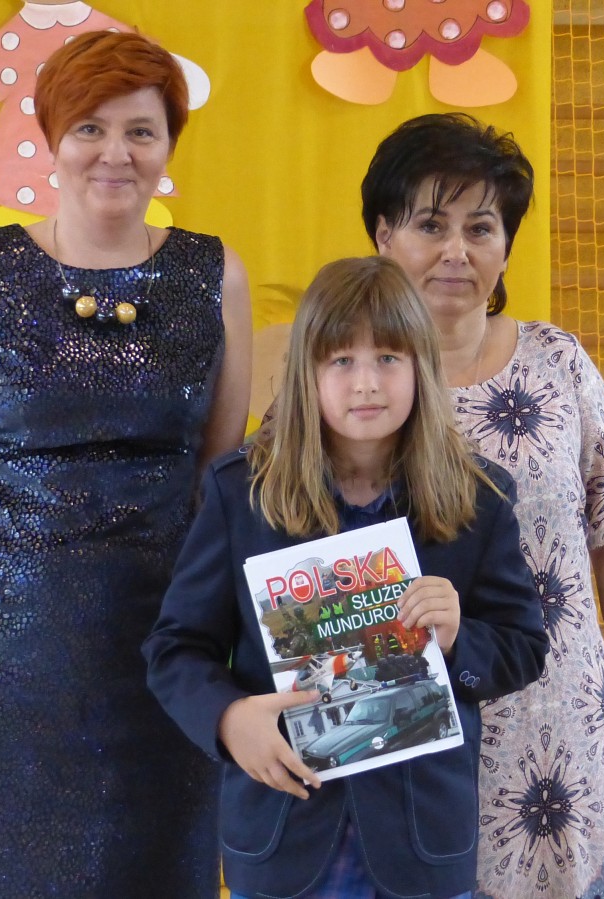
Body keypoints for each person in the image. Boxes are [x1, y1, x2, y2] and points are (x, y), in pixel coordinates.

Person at [0, 31, 251, 898]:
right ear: (47, 136)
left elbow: (219, 487)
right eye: (90, 128)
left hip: (165, 659)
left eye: (142, 131)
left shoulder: (215, 274)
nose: (116, 152)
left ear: (170, 144)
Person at [143, 256, 547, 899]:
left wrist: (457, 638)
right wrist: (228, 719)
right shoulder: (241, 494)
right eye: (341, 361)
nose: (366, 384)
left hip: (421, 846)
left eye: (388, 358)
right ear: (306, 373)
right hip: (282, 833)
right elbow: (175, 649)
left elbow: (523, 647)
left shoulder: (479, 498)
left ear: (421, 367)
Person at [362, 113, 604, 898]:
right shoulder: (348, 379)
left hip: (563, 735)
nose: (456, 251)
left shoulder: (559, 361)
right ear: (384, 235)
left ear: (505, 245)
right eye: (431, 224)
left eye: (481, 227)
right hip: (407, 739)